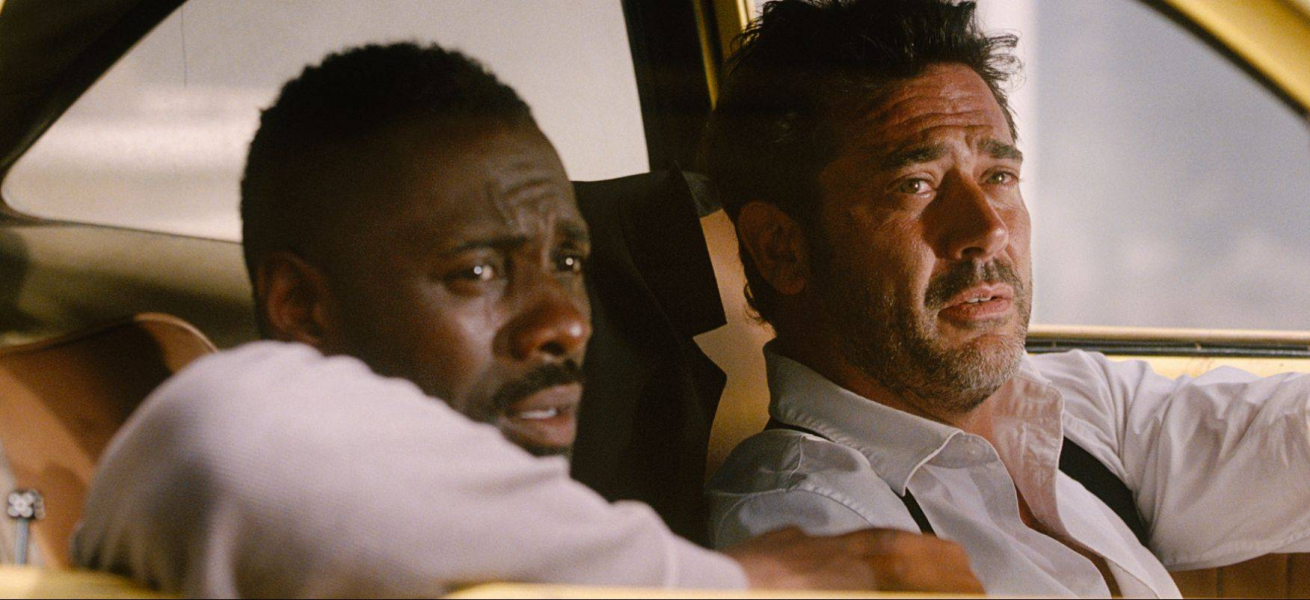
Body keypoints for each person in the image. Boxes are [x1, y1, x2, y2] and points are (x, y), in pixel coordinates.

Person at [71, 43, 982, 597]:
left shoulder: (517, 550)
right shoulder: (237, 459)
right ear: (302, 309)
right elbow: (235, 434)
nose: (564, 323)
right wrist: (742, 582)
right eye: (476, 271)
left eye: (568, 262)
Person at [703, 1, 1310, 598]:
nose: (985, 229)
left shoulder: (1073, 410)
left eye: (997, 176)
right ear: (782, 248)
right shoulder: (809, 529)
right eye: (915, 185)